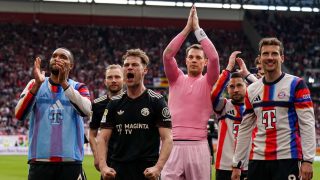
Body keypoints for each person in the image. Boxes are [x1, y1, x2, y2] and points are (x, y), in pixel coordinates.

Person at [232, 37, 316, 180]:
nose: (270, 57)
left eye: (274, 53)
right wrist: (236, 164)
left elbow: (307, 124)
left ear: (282, 58)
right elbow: (245, 128)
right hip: (258, 159)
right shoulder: (251, 90)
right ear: (260, 58)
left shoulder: (297, 84)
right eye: (265, 54)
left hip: (287, 158)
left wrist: (307, 160)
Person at [161, 6, 220, 180]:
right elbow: (167, 55)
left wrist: (198, 30)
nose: (194, 60)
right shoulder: (176, 78)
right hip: (173, 145)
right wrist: (187, 29)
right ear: (186, 60)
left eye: (198, 58)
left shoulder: (209, 81)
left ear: (204, 62)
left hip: (199, 146)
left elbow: (215, 58)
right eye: (191, 57)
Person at [15, 48, 91, 180]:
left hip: (70, 162)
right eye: (54, 56)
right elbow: (19, 114)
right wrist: (37, 85)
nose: (57, 58)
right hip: (40, 161)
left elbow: (86, 111)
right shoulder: (34, 84)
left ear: (71, 65)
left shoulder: (79, 87)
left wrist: (64, 84)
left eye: (63, 57)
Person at [97, 49, 173, 180]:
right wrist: (103, 167)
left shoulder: (157, 101)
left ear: (145, 70)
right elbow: (102, 138)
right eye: (126, 65)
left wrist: (158, 168)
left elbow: (168, 139)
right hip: (117, 171)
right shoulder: (114, 103)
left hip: (146, 172)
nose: (129, 68)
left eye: (135, 65)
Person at [211, 51, 257, 180]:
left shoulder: (254, 107)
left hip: (248, 165)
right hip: (225, 166)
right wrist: (228, 69)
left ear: (246, 86)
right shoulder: (223, 106)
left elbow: (264, 89)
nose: (235, 89)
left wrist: (247, 74)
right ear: (227, 89)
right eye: (231, 86)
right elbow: (213, 95)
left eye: (239, 85)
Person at [89, 64, 124, 171]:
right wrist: (97, 156)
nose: (113, 80)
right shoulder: (97, 104)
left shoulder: (132, 101)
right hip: (107, 161)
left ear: (124, 80)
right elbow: (92, 134)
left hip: (129, 159)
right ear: (105, 81)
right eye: (110, 77)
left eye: (117, 77)